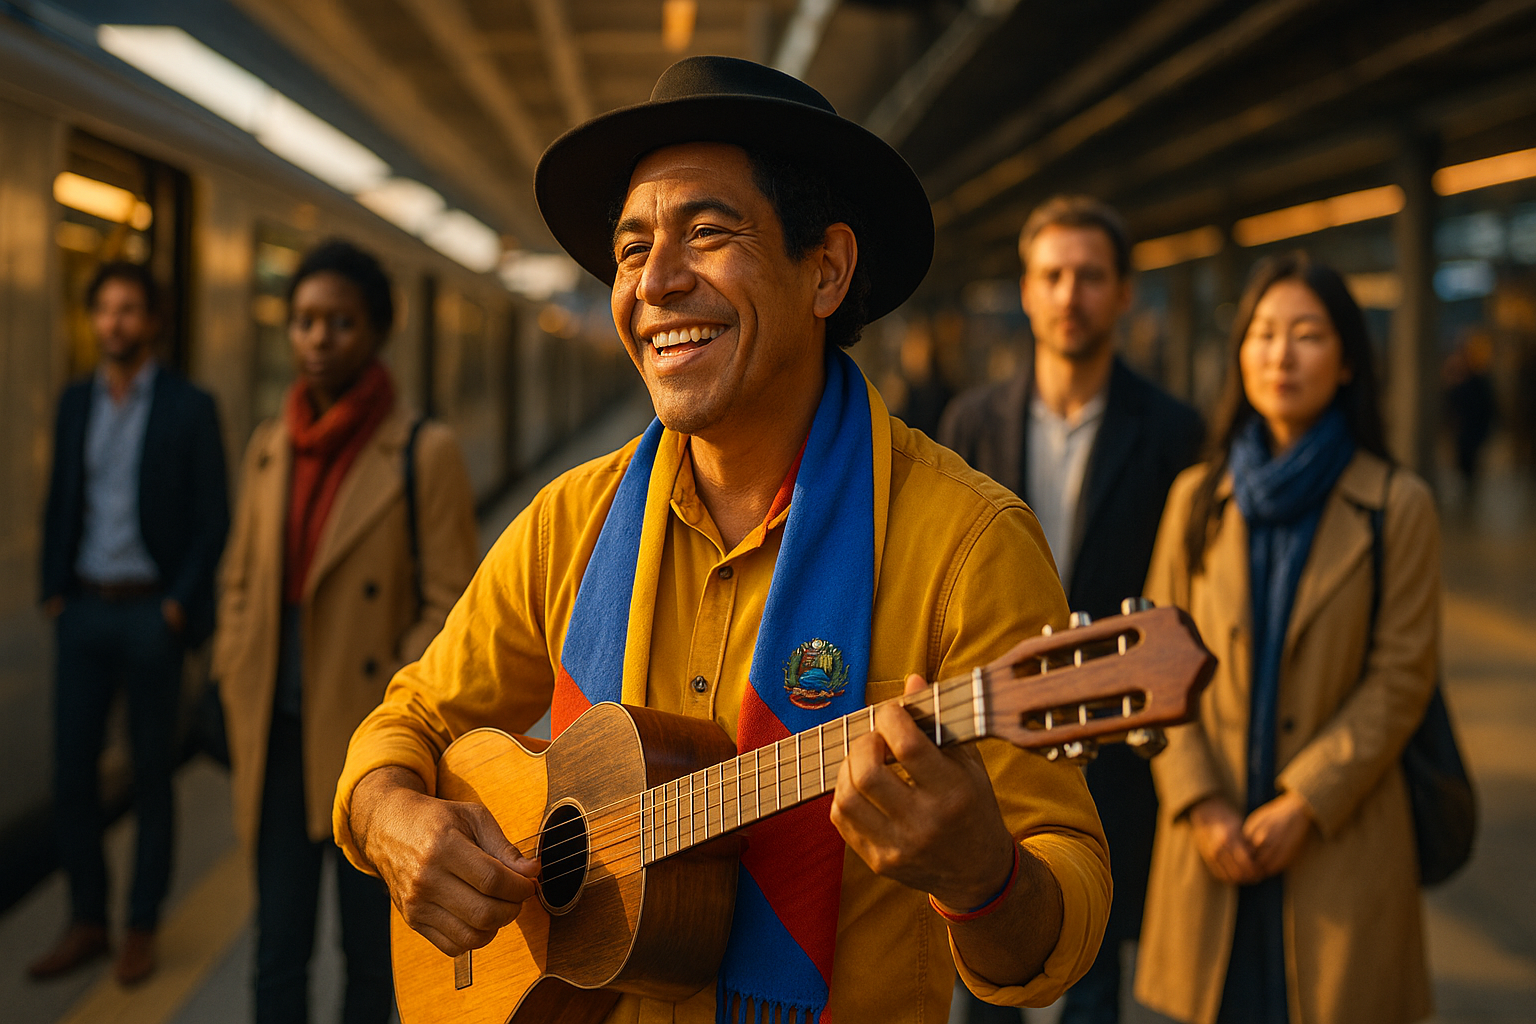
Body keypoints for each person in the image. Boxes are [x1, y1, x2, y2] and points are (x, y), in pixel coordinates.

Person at [333, 56, 1111, 1023]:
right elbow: (408, 719)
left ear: (826, 270)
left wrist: (983, 877)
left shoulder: (967, 544)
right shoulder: (569, 524)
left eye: (707, 233)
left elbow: (1060, 923)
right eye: (631, 249)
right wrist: (390, 814)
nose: (655, 282)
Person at [1135, 252, 1439, 1024]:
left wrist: (1305, 800)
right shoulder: (1195, 499)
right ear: (1240, 354)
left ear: (1347, 362)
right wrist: (1201, 802)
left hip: (1337, 838)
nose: (1281, 355)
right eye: (1264, 334)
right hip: (1213, 842)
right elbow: (1150, 663)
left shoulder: (1396, 505)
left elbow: (1402, 677)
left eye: (1308, 335)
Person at [940, 195, 1203, 1024]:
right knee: (983, 970)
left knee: (1094, 983)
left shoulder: (1174, 433)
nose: (1069, 295)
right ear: (1026, 291)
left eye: (1090, 277)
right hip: (988, 746)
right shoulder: (969, 423)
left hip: (1117, 747)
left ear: (1123, 294)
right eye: (1052, 276)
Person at [212, 240, 478, 1023]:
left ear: (377, 331)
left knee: (371, 954)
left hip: (371, 747)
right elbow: (239, 579)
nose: (318, 339)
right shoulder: (269, 446)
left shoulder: (423, 451)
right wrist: (233, 664)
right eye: (303, 321)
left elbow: (450, 605)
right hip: (275, 733)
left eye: (340, 322)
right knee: (277, 947)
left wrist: (393, 698)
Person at [34, 261, 229, 985]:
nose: (114, 322)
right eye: (105, 309)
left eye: (129, 309)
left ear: (152, 322)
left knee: (151, 775)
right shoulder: (74, 401)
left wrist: (177, 604)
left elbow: (214, 518)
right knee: (72, 774)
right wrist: (54, 591)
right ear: (93, 319)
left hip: (152, 614)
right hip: (84, 610)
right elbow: (61, 497)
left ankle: (140, 925)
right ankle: (88, 920)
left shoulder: (189, 405)